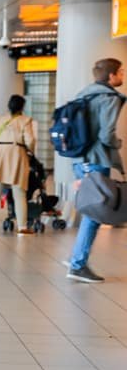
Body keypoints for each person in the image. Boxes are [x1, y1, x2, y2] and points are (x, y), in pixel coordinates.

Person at [64, 58, 127, 283]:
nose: (123, 75)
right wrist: (118, 143)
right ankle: (77, 264)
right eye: (121, 72)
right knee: (95, 212)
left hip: (79, 158)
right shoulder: (109, 98)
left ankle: (75, 258)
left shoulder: (84, 95)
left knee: (91, 207)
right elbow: (106, 134)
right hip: (97, 159)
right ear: (111, 75)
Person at [0, 94, 36, 236]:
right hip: (17, 154)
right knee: (19, 193)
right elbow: (30, 140)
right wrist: (30, 151)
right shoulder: (25, 120)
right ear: (22, 107)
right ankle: (22, 228)